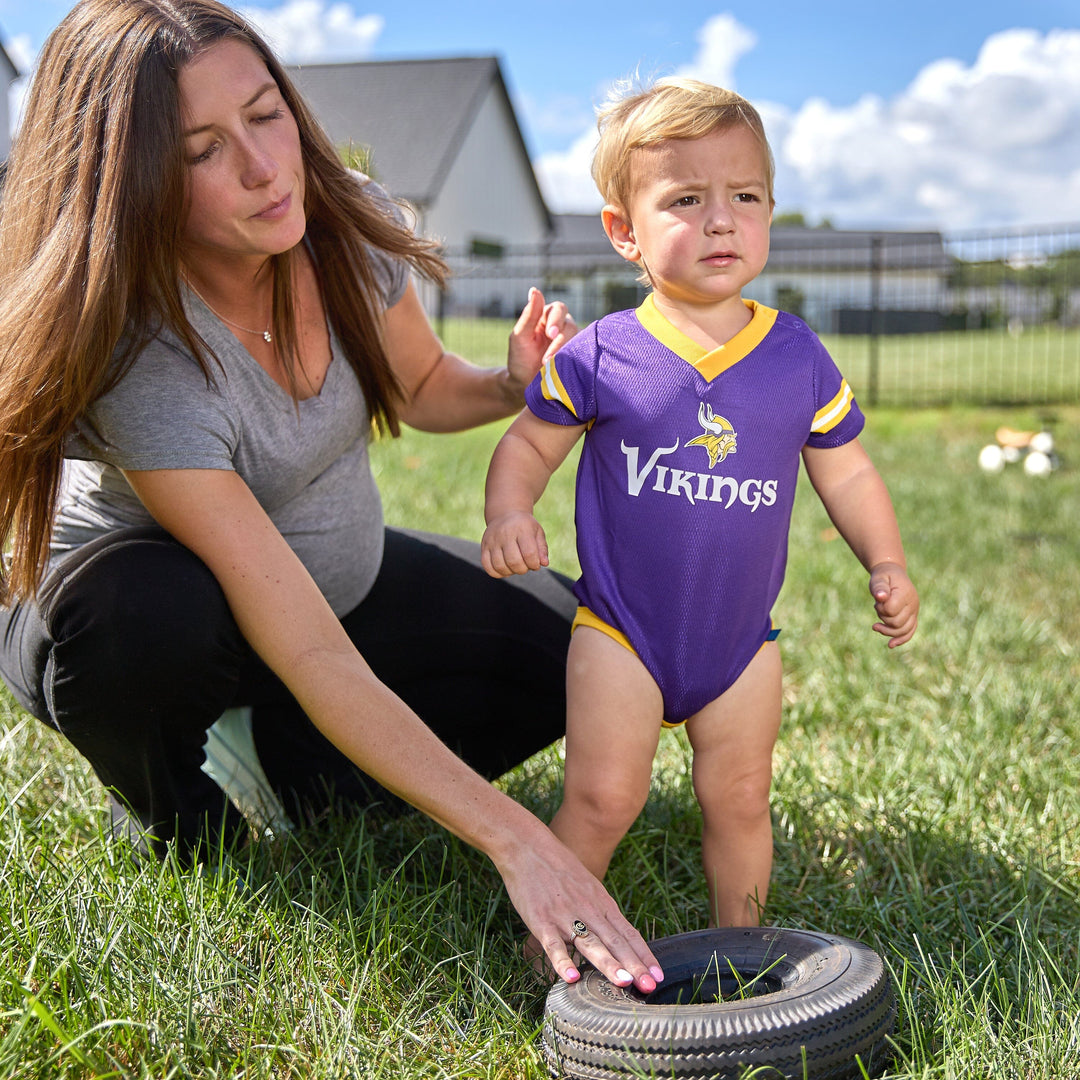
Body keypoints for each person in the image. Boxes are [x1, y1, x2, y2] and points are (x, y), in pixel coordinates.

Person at [0, 0, 664, 993]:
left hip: (333, 589)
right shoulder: (145, 352)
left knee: (581, 656)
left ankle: (285, 764)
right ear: (133, 183)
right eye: (202, 151)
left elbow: (419, 384)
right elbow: (309, 649)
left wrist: (510, 384)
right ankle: (175, 809)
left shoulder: (344, 221)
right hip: (127, 625)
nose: (264, 167)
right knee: (144, 619)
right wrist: (518, 841)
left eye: (266, 114)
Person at [481, 78, 919, 942]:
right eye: (686, 199)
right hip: (622, 632)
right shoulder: (604, 354)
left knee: (742, 798)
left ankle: (742, 949)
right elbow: (527, 445)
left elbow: (849, 474)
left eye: (744, 197)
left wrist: (887, 560)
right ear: (624, 231)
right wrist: (508, 511)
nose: (722, 221)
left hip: (740, 643)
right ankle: (549, 949)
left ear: (770, 212)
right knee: (602, 797)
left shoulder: (796, 356)